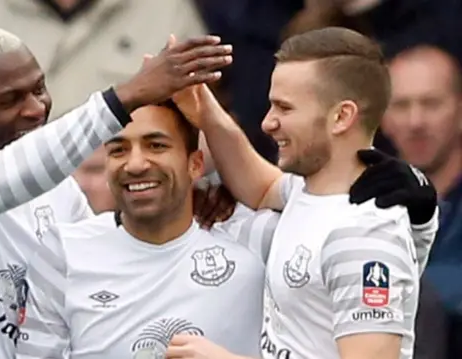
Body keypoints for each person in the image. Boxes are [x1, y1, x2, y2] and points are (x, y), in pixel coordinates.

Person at [0, 25, 233, 359]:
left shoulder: (60, 193)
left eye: (39, 88)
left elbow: (107, 276)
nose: (36, 109)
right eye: (10, 100)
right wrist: (124, 98)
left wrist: (195, 208)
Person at [165, 27, 438, 359]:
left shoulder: (365, 236)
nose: (267, 123)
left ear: (341, 117)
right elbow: (262, 187)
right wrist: (206, 113)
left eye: (285, 108)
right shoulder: (308, 190)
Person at [17, 101, 281, 359]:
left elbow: (317, 208)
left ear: (195, 164)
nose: (135, 164)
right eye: (118, 150)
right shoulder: (64, 251)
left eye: (156, 146)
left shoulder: (255, 238)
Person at [382, 44, 462, 359]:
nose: (416, 121)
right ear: (384, 118)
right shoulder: (365, 206)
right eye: (401, 105)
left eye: (431, 104)